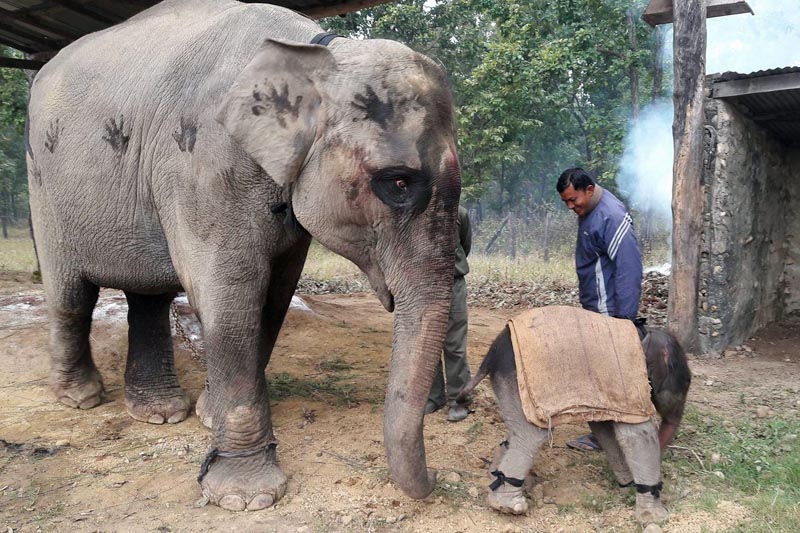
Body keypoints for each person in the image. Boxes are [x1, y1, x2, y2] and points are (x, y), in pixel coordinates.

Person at [557, 167, 644, 451]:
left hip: (610, 313)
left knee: (608, 373)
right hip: (596, 308)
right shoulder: (590, 212)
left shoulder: (612, 216)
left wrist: (624, 321)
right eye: (566, 202)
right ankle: (611, 431)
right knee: (601, 370)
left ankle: (609, 435)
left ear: (590, 190)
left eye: (574, 200)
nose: (571, 207)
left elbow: (628, 269)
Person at [425, 205, 472, 422]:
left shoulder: (459, 214)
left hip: (452, 284)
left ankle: (458, 400)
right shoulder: (417, 212)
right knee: (429, 344)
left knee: (454, 345)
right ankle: (434, 397)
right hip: (424, 285)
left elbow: (465, 245)